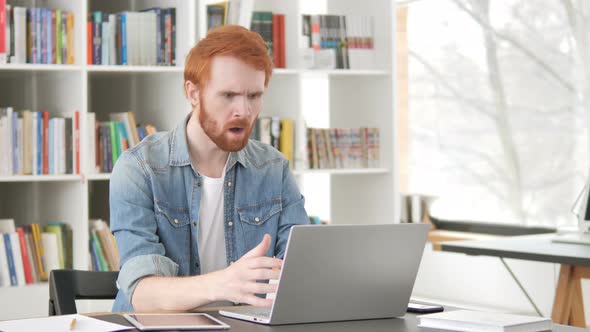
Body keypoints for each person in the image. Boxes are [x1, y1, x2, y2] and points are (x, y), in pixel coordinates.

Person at [109, 25, 309, 312]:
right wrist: (224, 282)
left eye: (254, 96)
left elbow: (301, 272)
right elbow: (142, 291)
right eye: (228, 95)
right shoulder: (139, 168)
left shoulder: (273, 169)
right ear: (193, 93)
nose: (244, 110)